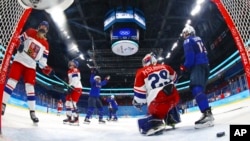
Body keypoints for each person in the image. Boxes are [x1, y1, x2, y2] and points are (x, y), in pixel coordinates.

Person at [1, 21, 53, 124]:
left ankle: (32, 112)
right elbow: (18, 40)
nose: (43, 27)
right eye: (42, 25)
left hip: (31, 66)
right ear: (39, 26)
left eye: (45, 27)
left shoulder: (46, 45)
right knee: (12, 82)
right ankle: (2, 104)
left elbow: (42, 62)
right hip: (19, 61)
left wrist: (47, 69)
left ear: (47, 30)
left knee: (30, 88)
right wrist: (19, 45)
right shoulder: (30, 32)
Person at [132, 52, 180, 136]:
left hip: (158, 101)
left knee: (146, 119)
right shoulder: (166, 66)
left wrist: (137, 102)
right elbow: (175, 79)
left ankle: (155, 123)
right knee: (169, 97)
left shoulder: (141, 72)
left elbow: (140, 97)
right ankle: (172, 118)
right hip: (174, 97)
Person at [180, 25, 214, 129]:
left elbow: (190, 58)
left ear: (189, 32)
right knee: (199, 90)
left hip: (198, 65)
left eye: (185, 33)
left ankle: (207, 114)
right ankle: (206, 113)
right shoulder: (199, 38)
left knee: (196, 89)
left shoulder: (187, 41)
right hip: (205, 65)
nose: (184, 35)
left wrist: (184, 67)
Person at [63, 60, 83, 126]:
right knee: (67, 103)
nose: (70, 64)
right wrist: (68, 84)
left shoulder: (75, 70)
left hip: (76, 88)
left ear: (75, 65)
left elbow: (76, 80)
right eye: (70, 63)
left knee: (72, 104)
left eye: (72, 63)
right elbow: (71, 80)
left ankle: (76, 119)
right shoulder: (69, 71)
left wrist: (71, 86)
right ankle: (69, 117)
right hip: (72, 87)